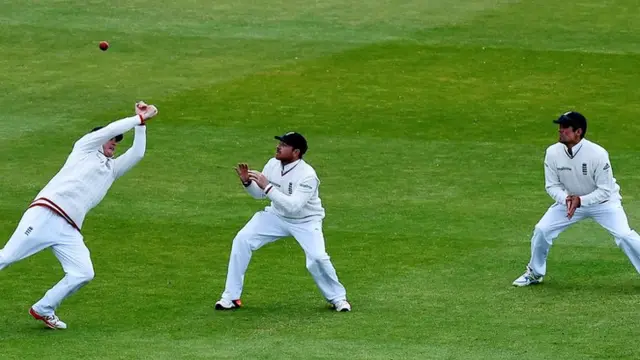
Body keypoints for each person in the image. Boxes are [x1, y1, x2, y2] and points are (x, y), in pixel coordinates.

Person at [0, 101, 158, 329]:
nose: (114, 143)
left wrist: (141, 127)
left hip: (69, 229)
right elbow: (110, 129)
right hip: (45, 213)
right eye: (112, 140)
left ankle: (44, 308)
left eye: (117, 142)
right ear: (98, 138)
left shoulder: (111, 169)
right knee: (7, 257)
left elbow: (138, 154)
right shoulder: (84, 148)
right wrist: (139, 118)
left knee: (83, 272)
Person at [215, 132, 351, 312]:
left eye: (284, 144)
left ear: (296, 152)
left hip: (306, 221)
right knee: (242, 239)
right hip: (276, 216)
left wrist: (267, 186)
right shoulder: (273, 164)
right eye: (280, 143)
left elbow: (293, 207)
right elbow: (260, 194)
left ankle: (338, 299)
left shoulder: (308, 176)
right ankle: (230, 297)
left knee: (317, 258)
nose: (278, 147)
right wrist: (248, 183)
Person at [513, 111, 640, 286]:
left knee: (625, 236)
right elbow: (552, 185)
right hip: (569, 203)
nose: (560, 131)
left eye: (565, 128)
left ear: (578, 132)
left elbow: (605, 190)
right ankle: (534, 273)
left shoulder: (597, 154)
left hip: (604, 204)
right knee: (542, 230)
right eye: (560, 127)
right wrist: (567, 199)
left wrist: (580, 200)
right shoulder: (552, 152)